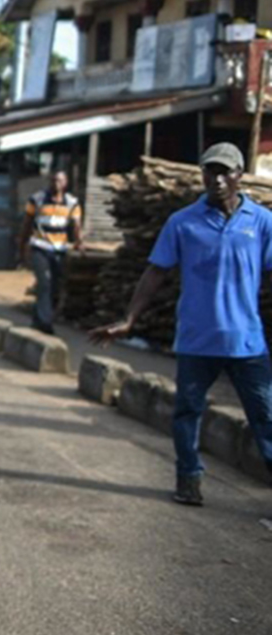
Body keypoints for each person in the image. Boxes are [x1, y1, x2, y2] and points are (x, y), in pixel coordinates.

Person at [90, 142, 272, 506]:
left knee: (266, 415)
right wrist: (130, 318)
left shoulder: (262, 222)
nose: (217, 180)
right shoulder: (183, 222)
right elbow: (156, 272)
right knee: (187, 412)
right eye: (210, 171)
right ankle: (188, 479)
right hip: (196, 339)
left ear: (239, 176)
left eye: (225, 172)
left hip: (247, 342)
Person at [19, 169, 85, 335]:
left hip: (59, 249)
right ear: (50, 182)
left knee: (55, 286)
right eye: (54, 180)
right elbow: (27, 224)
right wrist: (22, 245)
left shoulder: (72, 203)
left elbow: (76, 225)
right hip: (40, 246)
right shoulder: (38, 199)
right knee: (45, 283)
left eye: (60, 181)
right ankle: (45, 322)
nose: (57, 184)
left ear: (66, 183)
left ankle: (38, 319)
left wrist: (79, 242)